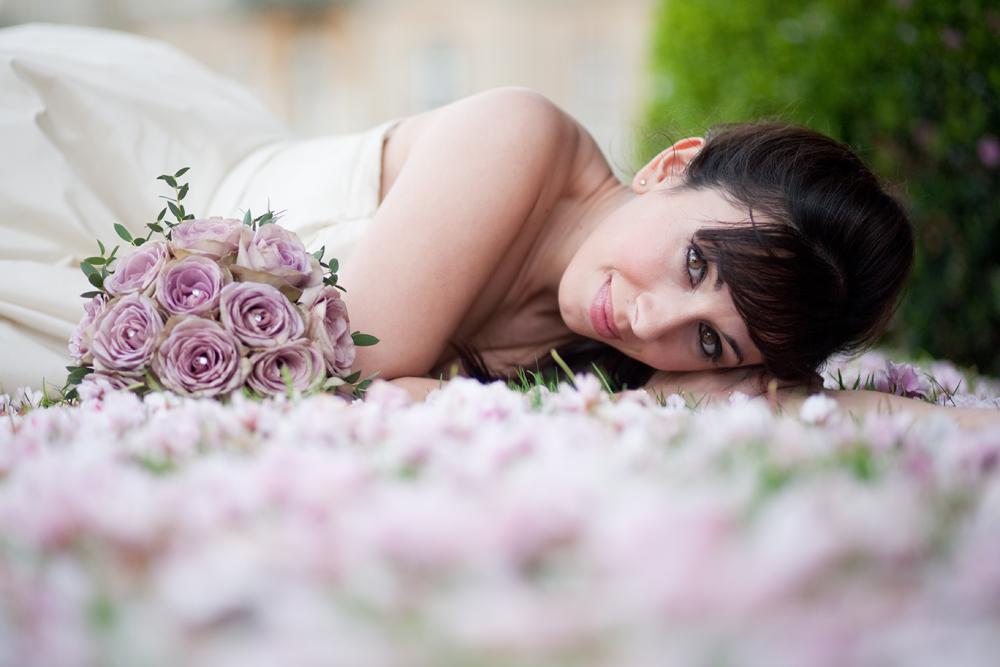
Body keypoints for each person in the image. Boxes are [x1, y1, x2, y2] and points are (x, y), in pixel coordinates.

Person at [0, 24, 993, 429]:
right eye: (694, 257)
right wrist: (657, 409)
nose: (649, 319)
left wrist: (888, 411)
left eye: (707, 338)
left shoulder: (611, 352)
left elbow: (792, 401)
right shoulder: (522, 140)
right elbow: (350, 376)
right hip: (107, 202)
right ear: (670, 164)